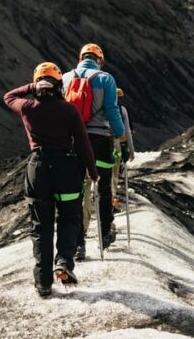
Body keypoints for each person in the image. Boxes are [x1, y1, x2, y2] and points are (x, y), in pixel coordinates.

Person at [4, 62, 98, 298]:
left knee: (41, 228)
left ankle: (43, 283)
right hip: (67, 169)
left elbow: (9, 96)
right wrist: (92, 171)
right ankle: (64, 262)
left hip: (39, 169)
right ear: (59, 85)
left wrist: (32, 86)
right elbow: (84, 144)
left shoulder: (28, 107)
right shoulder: (69, 110)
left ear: (38, 84)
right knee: (69, 217)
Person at [62, 44, 125, 257]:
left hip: (75, 140)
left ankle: (78, 243)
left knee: (78, 191)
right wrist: (120, 133)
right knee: (104, 187)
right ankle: (105, 231)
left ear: (81, 58)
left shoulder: (66, 78)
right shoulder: (106, 78)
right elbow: (111, 109)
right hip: (101, 139)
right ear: (99, 60)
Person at [111, 88, 135, 223]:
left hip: (98, 144)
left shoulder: (100, 107)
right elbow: (127, 131)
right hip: (116, 146)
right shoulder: (122, 110)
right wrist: (130, 149)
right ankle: (110, 204)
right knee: (113, 178)